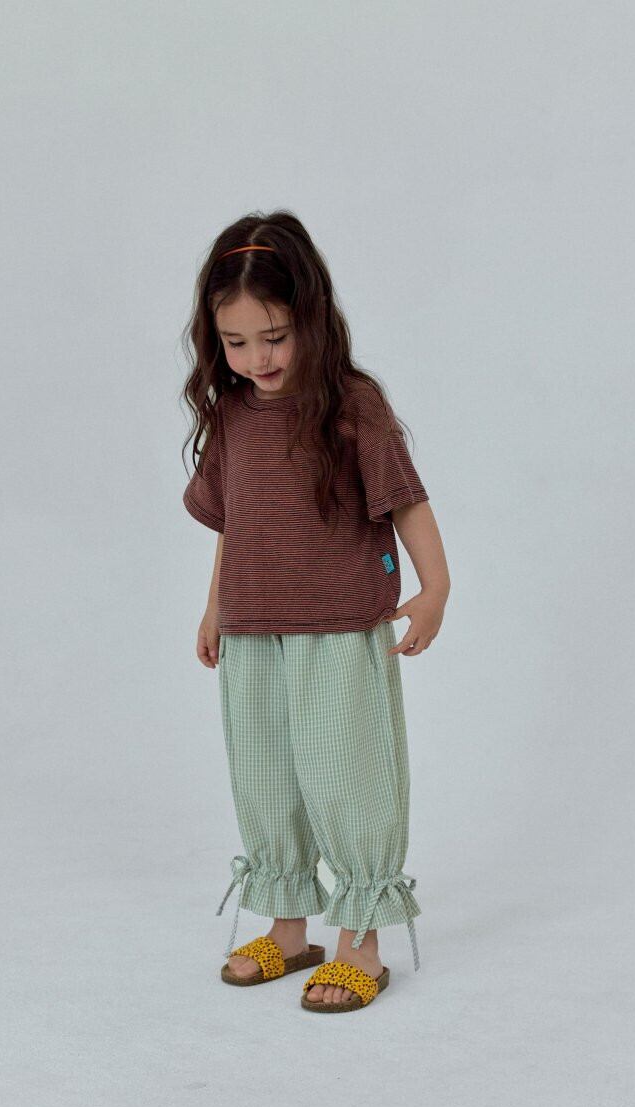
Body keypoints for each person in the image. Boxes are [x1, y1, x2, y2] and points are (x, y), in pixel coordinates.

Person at [181, 210, 450, 1013]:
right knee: (267, 778)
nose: (256, 359)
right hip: (252, 629)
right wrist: (213, 607)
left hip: (337, 627)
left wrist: (436, 586)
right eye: (236, 342)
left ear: (312, 318)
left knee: (345, 777)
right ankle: (288, 927)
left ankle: (359, 941)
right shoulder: (232, 415)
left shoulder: (352, 405)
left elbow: (407, 501)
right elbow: (233, 520)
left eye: (274, 336)